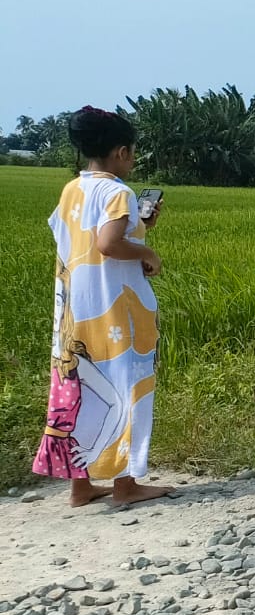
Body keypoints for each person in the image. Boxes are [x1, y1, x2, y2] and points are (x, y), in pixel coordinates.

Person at [33, 107, 173, 508]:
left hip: (76, 310)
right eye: (132, 153)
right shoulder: (117, 192)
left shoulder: (72, 190)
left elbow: (86, 239)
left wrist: (141, 226)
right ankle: (125, 486)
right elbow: (108, 244)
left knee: (79, 392)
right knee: (126, 387)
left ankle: (80, 487)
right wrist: (147, 251)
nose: (133, 160)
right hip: (116, 311)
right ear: (122, 152)